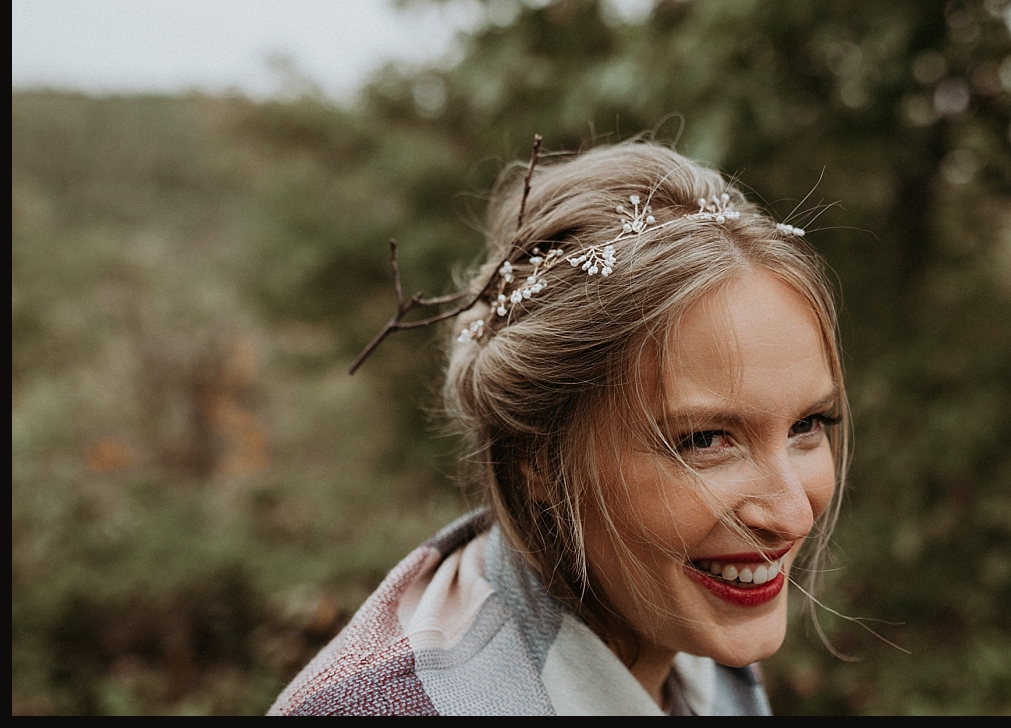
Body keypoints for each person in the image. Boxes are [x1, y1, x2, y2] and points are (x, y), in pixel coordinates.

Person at [269, 140, 849, 715]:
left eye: (807, 425)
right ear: (539, 455)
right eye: (705, 440)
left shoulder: (689, 629)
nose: (794, 515)